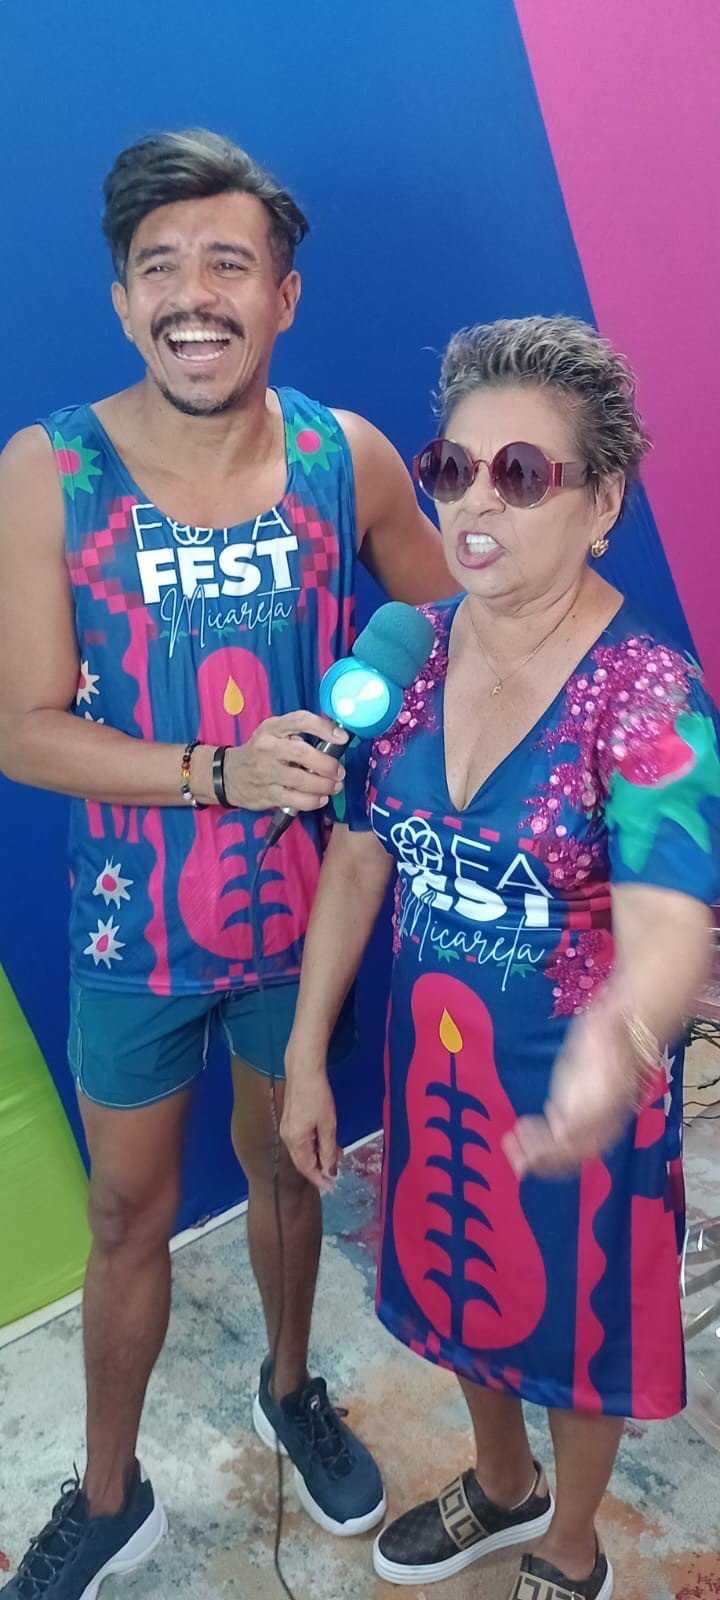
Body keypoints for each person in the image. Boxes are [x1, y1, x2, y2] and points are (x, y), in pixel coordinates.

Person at [0, 129, 456, 1596]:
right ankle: (110, 1494)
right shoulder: (48, 469)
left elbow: (452, 617)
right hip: (133, 931)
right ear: (123, 300)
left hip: (305, 930)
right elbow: (21, 729)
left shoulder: (344, 455)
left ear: (283, 295)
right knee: (127, 1216)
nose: (194, 296)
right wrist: (219, 771)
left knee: (286, 1174)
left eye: (227, 264)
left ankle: (288, 1386)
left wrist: (377, 687)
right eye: (160, 268)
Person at [281, 315, 720, 1600]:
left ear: (604, 502)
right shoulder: (409, 650)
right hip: (438, 1070)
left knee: (579, 1330)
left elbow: (673, 923)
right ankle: (501, 1481)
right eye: (452, 466)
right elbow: (359, 854)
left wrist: (610, 1057)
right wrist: (305, 1053)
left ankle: (569, 1544)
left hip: (586, 1096)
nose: (475, 501)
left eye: (520, 473)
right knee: (456, 1281)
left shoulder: (648, 697)